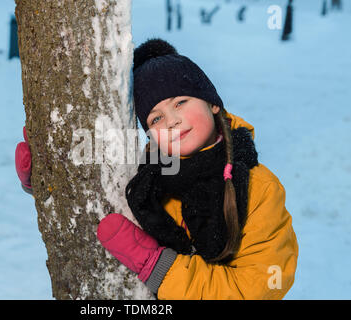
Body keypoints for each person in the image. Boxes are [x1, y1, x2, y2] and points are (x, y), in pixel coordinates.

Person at [15, 38, 299, 300]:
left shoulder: (258, 187)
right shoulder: (149, 177)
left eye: (181, 102)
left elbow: (257, 288)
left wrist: (159, 267)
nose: (172, 121)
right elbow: (101, 213)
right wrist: (53, 183)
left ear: (212, 103)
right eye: (156, 117)